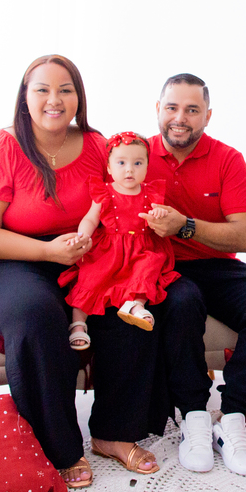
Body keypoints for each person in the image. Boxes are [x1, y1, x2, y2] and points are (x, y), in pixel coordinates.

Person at [0, 55, 166, 487]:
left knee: (129, 312)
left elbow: (120, 202)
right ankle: (55, 447)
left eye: (65, 90)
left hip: (78, 256)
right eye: (43, 90)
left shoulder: (95, 145)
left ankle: (114, 433)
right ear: (25, 97)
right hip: (5, 261)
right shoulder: (4, 147)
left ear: (78, 98)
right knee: (36, 316)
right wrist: (46, 252)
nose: (55, 100)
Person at [140, 73, 246, 476]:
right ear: (158, 110)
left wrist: (185, 225)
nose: (180, 118)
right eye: (172, 107)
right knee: (183, 302)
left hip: (216, 264)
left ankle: (233, 416)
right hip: (162, 266)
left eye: (192, 110)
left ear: (207, 116)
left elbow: (244, 236)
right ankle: (193, 415)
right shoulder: (137, 154)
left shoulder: (228, 159)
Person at [60, 132, 180, 347]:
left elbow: (161, 217)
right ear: (109, 167)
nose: (129, 169)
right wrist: (82, 235)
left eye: (137, 163)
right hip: (108, 249)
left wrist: (159, 215)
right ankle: (78, 325)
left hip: (142, 248)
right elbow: (90, 218)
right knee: (90, 278)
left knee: (148, 269)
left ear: (146, 166)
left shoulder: (150, 193)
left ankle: (135, 306)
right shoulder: (105, 192)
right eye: (121, 162)